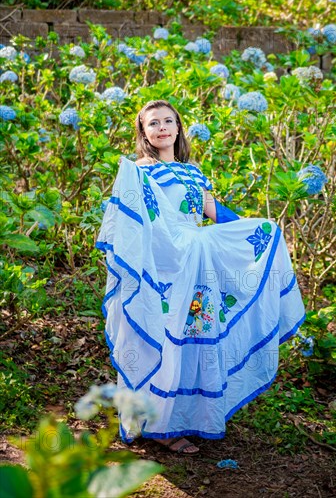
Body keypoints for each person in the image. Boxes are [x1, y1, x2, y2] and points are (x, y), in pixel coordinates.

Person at [95, 99, 306, 455]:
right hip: (164, 267)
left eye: (168, 121)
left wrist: (258, 233)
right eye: (153, 123)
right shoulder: (138, 172)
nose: (161, 127)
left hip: (198, 268)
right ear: (143, 132)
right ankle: (157, 426)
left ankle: (182, 419)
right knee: (164, 341)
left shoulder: (193, 171)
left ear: (178, 129)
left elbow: (213, 213)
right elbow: (137, 224)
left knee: (193, 342)